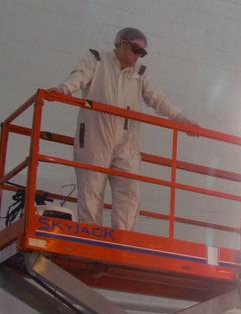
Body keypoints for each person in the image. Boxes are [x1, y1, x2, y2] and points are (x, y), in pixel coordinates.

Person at [52, 28, 192, 231]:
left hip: (126, 142)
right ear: (121, 44)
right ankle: (91, 237)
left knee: (129, 193)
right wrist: (63, 89)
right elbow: (79, 76)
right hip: (94, 137)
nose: (138, 56)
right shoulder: (97, 61)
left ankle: (122, 240)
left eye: (142, 53)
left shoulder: (140, 75)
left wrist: (182, 119)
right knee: (91, 190)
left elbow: (158, 99)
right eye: (136, 50)